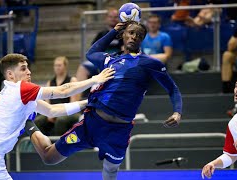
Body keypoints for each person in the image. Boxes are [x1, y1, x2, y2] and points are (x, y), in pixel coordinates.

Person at [24, 21, 182, 180]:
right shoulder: (108, 59)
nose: (134, 37)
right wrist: (114, 31)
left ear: (143, 40)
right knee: (49, 158)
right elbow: (91, 53)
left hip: (119, 132)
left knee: (111, 171)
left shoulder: (151, 63)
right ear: (123, 35)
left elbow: (172, 88)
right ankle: (26, 122)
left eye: (139, 35)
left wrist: (177, 112)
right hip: (92, 124)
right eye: (131, 33)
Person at [0, 53, 115, 180]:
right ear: (10, 74)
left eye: (28, 67)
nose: (29, 72)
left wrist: (86, 103)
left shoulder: (11, 93)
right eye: (23, 69)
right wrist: (95, 79)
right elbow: (63, 91)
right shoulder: (20, 89)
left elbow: (52, 110)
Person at [74, 7, 123, 101]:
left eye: (115, 17)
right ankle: (76, 101)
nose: (113, 19)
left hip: (117, 62)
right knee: (83, 67)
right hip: (101, 61)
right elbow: (93, 51)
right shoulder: (101, 34)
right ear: (106, 18)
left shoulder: (123, 34)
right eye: (110, 17)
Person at [34, 56, 80, 136]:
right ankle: (40, 145)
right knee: (38, 120)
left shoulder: (72, 80)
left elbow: (73, 103)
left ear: (65, 66)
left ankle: (58, 145)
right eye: (55, 65)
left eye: (59, 65)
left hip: (69, 111)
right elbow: (47, 103)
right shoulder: (50, 83)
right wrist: (50, 114)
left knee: (60, 120)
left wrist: (57, 113)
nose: (57, 68)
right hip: (54, 111)